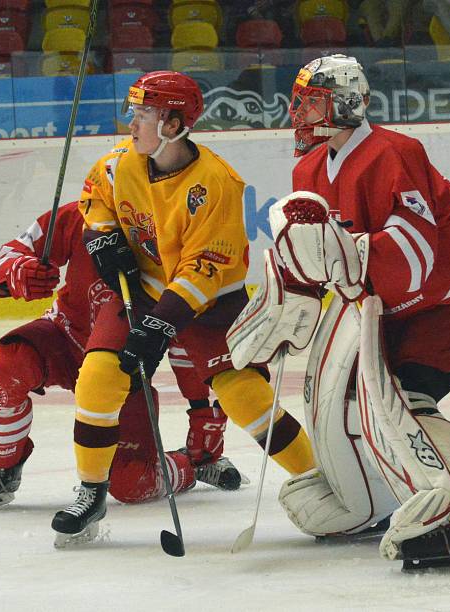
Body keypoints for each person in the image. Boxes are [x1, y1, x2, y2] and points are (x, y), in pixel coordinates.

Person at [227, 54, 450, 570]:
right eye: (300, 99)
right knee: (349, 396)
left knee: (402, 395)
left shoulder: (393, 152)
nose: (299, 110)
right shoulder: (310, 166)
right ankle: (374, 497)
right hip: (400, 303)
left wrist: (350, 254)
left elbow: (415, 253)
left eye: (311, 99)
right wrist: (286, 302)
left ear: (346, 102)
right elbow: (317, 256)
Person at [50, 70, 317, 544]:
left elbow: (204, 271)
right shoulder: (120, 164)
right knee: (98, 379)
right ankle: (92, 492)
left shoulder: (216, 183)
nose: (132, 123)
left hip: (209, 303)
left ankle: (320, 481)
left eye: (144, 114)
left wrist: (156, 327)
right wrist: (102, 239)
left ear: (173, 125)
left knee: (243, 396)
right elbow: (94, 201)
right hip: (143, 289)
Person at [0, 200, 244, 515]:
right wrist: (19, 271)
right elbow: (12, 251)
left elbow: (187, 331)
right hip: (65, 337)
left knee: (132, 483)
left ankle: (189, 466)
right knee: (7, 367)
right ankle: (2, 469)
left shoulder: (175, 231)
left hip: (123, 364)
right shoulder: (82, 213)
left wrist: (202, 413)